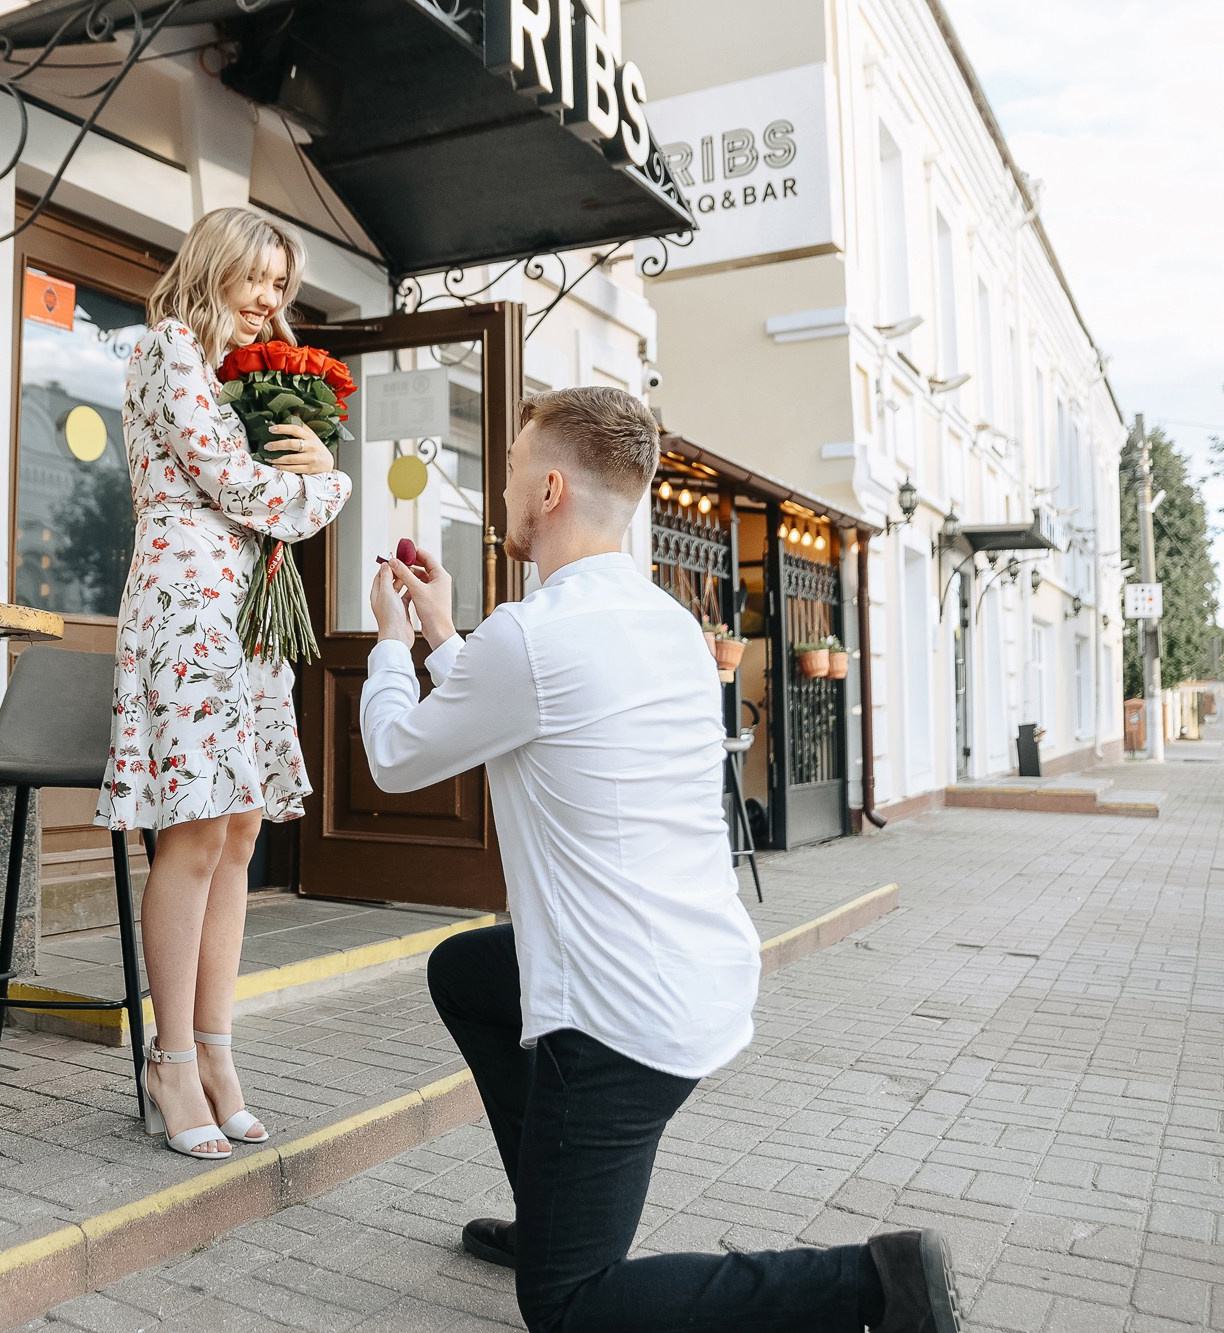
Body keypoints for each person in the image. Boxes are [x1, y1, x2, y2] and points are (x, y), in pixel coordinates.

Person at [360, 386, 960, 1332]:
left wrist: (392, 646)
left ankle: (873, 1282)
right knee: (467, 972)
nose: (503, 489)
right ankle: (552, 1206)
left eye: (512, 471)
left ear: (549, 487)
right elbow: (515, 698)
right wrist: (443, 632)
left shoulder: (532, 634)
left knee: (567, 1306)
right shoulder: (667, 624)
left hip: (616, 1018)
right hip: (697, 973)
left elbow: (396, 756)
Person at [95, 207, 352, 1160]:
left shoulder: (242, 375)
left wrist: (309, 466)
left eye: (281, 287)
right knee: (197, 830)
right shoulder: (168, 349)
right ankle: (167, 1059)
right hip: (188, 601)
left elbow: (255, 491)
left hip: (245, 610)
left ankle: (216, 1051)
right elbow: (236, 485)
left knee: (239, 831)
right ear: (216, 266)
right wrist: (331, 486)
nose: (269, 302)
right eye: (258, 280)